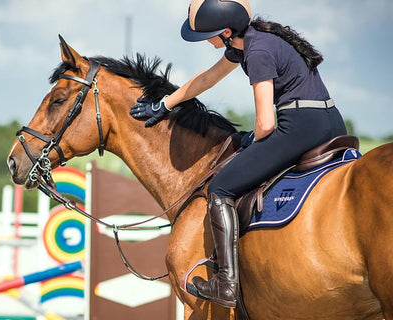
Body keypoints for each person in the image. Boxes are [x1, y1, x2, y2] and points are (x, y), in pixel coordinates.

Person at [129, 0, 347, 308]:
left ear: (227, 32)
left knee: (220, 187)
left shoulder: (257, 52)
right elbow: (206, 79)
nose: (208, 42)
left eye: (210, 36)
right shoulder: (254, 39)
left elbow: (266, 124)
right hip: (332, 123)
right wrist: (165, 104)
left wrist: (249, 140)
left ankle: (226, 284)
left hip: (300, 127)